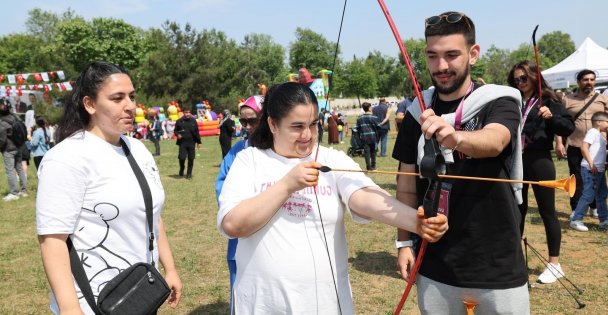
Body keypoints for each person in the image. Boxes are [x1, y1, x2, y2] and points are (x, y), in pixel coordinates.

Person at [217, 82, 447, 314]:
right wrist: (286, 185)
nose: (307, 135)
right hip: (264, 303)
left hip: (326, 303)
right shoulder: (249, 160)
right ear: (273, 124)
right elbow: (233, 224)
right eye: (297, 127)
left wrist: (416, 222)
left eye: (314, 124)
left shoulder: (331, 159)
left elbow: (363, 196)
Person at [393, 12, 529, 313]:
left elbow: (495, 140)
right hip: (435, 261)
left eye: (452, 55)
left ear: (474, 53)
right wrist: (404, 243)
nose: (441, 66)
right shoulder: (419, 110)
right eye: (432, 56)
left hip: (497, 264)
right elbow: (405, 183)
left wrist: (456, 138)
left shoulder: (499, 99)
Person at [36, 61, 182, 314]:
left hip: (139, 292)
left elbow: (153, 216)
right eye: (117, 98)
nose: (131, 106)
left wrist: (169, 268)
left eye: (132, 96)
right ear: (89, 104)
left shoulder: (137, 149)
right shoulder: (67, 158)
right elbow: (52, 239)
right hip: (93, 300)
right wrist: (71, 308)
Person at [507, 61, 574, 284]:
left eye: (523, 78)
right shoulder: (513, 100)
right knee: (517, 209)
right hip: (516, 160)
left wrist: (551, 117)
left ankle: (554, 264)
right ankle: (515, 259)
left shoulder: (549, 100)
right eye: (516, 80)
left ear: (534, 77)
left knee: (547, 212)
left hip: (540, 160)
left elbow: (567, 128)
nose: (520, 83)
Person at [215, 94, 263, 314]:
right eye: (242, 121)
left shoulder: (283, 149)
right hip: (241, 236)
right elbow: (222, 190)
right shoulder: (236, 151)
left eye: (252, 120)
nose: (246, 126)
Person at [556, 69, 608, 215]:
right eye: (585, 80)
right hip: (575, 144)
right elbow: (560, 123)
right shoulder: (568, 100)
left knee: (596, 177)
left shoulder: (602, 99)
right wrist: (559, 143)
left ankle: (595, 206)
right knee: (576, 178)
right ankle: (576, 208)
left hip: (596, 148)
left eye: (592, 80)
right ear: (579, 82)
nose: (589, 83)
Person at [569, 111, 608, 232]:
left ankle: (604, 220)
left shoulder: (600, 136)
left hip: (599, 170)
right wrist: (591, 163)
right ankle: (576, 219)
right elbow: (584, 147)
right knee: (589, 194)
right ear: (599, 122)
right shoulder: (593, 132)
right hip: (591, 169)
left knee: (602, 194)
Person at [0, 98, 28, 201]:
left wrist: (1, 149)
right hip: (19, 146)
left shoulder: (2, 122)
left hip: (9, 149)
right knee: (19, 168)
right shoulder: (15, 117)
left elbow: (2, 140)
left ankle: (14, 193)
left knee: (10, 171)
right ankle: (24, 191)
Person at [174, 107, 201, 179]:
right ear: (183, 113)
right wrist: (178, 135)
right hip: (182, 143)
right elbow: (175, 131)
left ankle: (189, 174)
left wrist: (198, 142)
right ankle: (182, 168)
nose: (188, 114)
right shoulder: (179, 121)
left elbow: (197, 132)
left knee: (191, 158)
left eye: (189, 112)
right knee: (182, 158)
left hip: (192, 142)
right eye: (186, 112)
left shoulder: (193, 121)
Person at [356, 102, 379, 171]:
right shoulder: (374, 117)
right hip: (373, 137)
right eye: (371, 107)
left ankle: (368, 168)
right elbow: (378, 127)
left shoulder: (359, 118)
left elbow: (357, 128)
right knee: (373, 152)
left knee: (366, 153)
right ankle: (373, 166)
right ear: (369, 108)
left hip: (364, 138)